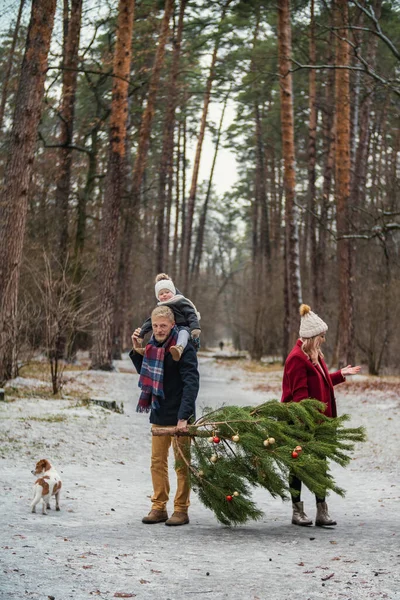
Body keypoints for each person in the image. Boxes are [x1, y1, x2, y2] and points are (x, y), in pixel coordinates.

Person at [281, 304, 361, 527]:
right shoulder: (297, 358)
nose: (323, 340)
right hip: (302, 422)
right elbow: (300, 399)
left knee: (320, 465)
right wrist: (309, 426)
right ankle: (297, 511)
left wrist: (340, 374)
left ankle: (321, 511)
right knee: (297, 466)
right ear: (311, 337)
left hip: (319, 422)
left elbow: (322, 382)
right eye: (321, 336)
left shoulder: (314, 355)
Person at [130, 305, 200, 526]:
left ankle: (181, 509)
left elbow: (191, 383)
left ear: (172, 326)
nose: (159, 329)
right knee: (157, 462)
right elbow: (146, 373)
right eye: (156, 326)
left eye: (163, 326)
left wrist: (184, 417)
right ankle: (158, 507)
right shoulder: (151, 346)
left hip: (181, 413)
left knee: (182, 464)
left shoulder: (183, 348)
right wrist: (136, 349)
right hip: (159, 410)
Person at [136, 273, 201, 361]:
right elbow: (151, 320)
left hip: (183, 326)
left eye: (167, 292)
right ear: (158, 297)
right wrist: (142, 333)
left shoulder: (179, 301)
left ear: (173, 292)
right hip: (169, 328)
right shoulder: (160, 306)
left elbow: (191, 313)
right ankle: (149, 349)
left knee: (183, 333)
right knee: (156, 331)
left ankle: (179, 348)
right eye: (161, 294)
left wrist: (195, 327)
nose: (165, 295)